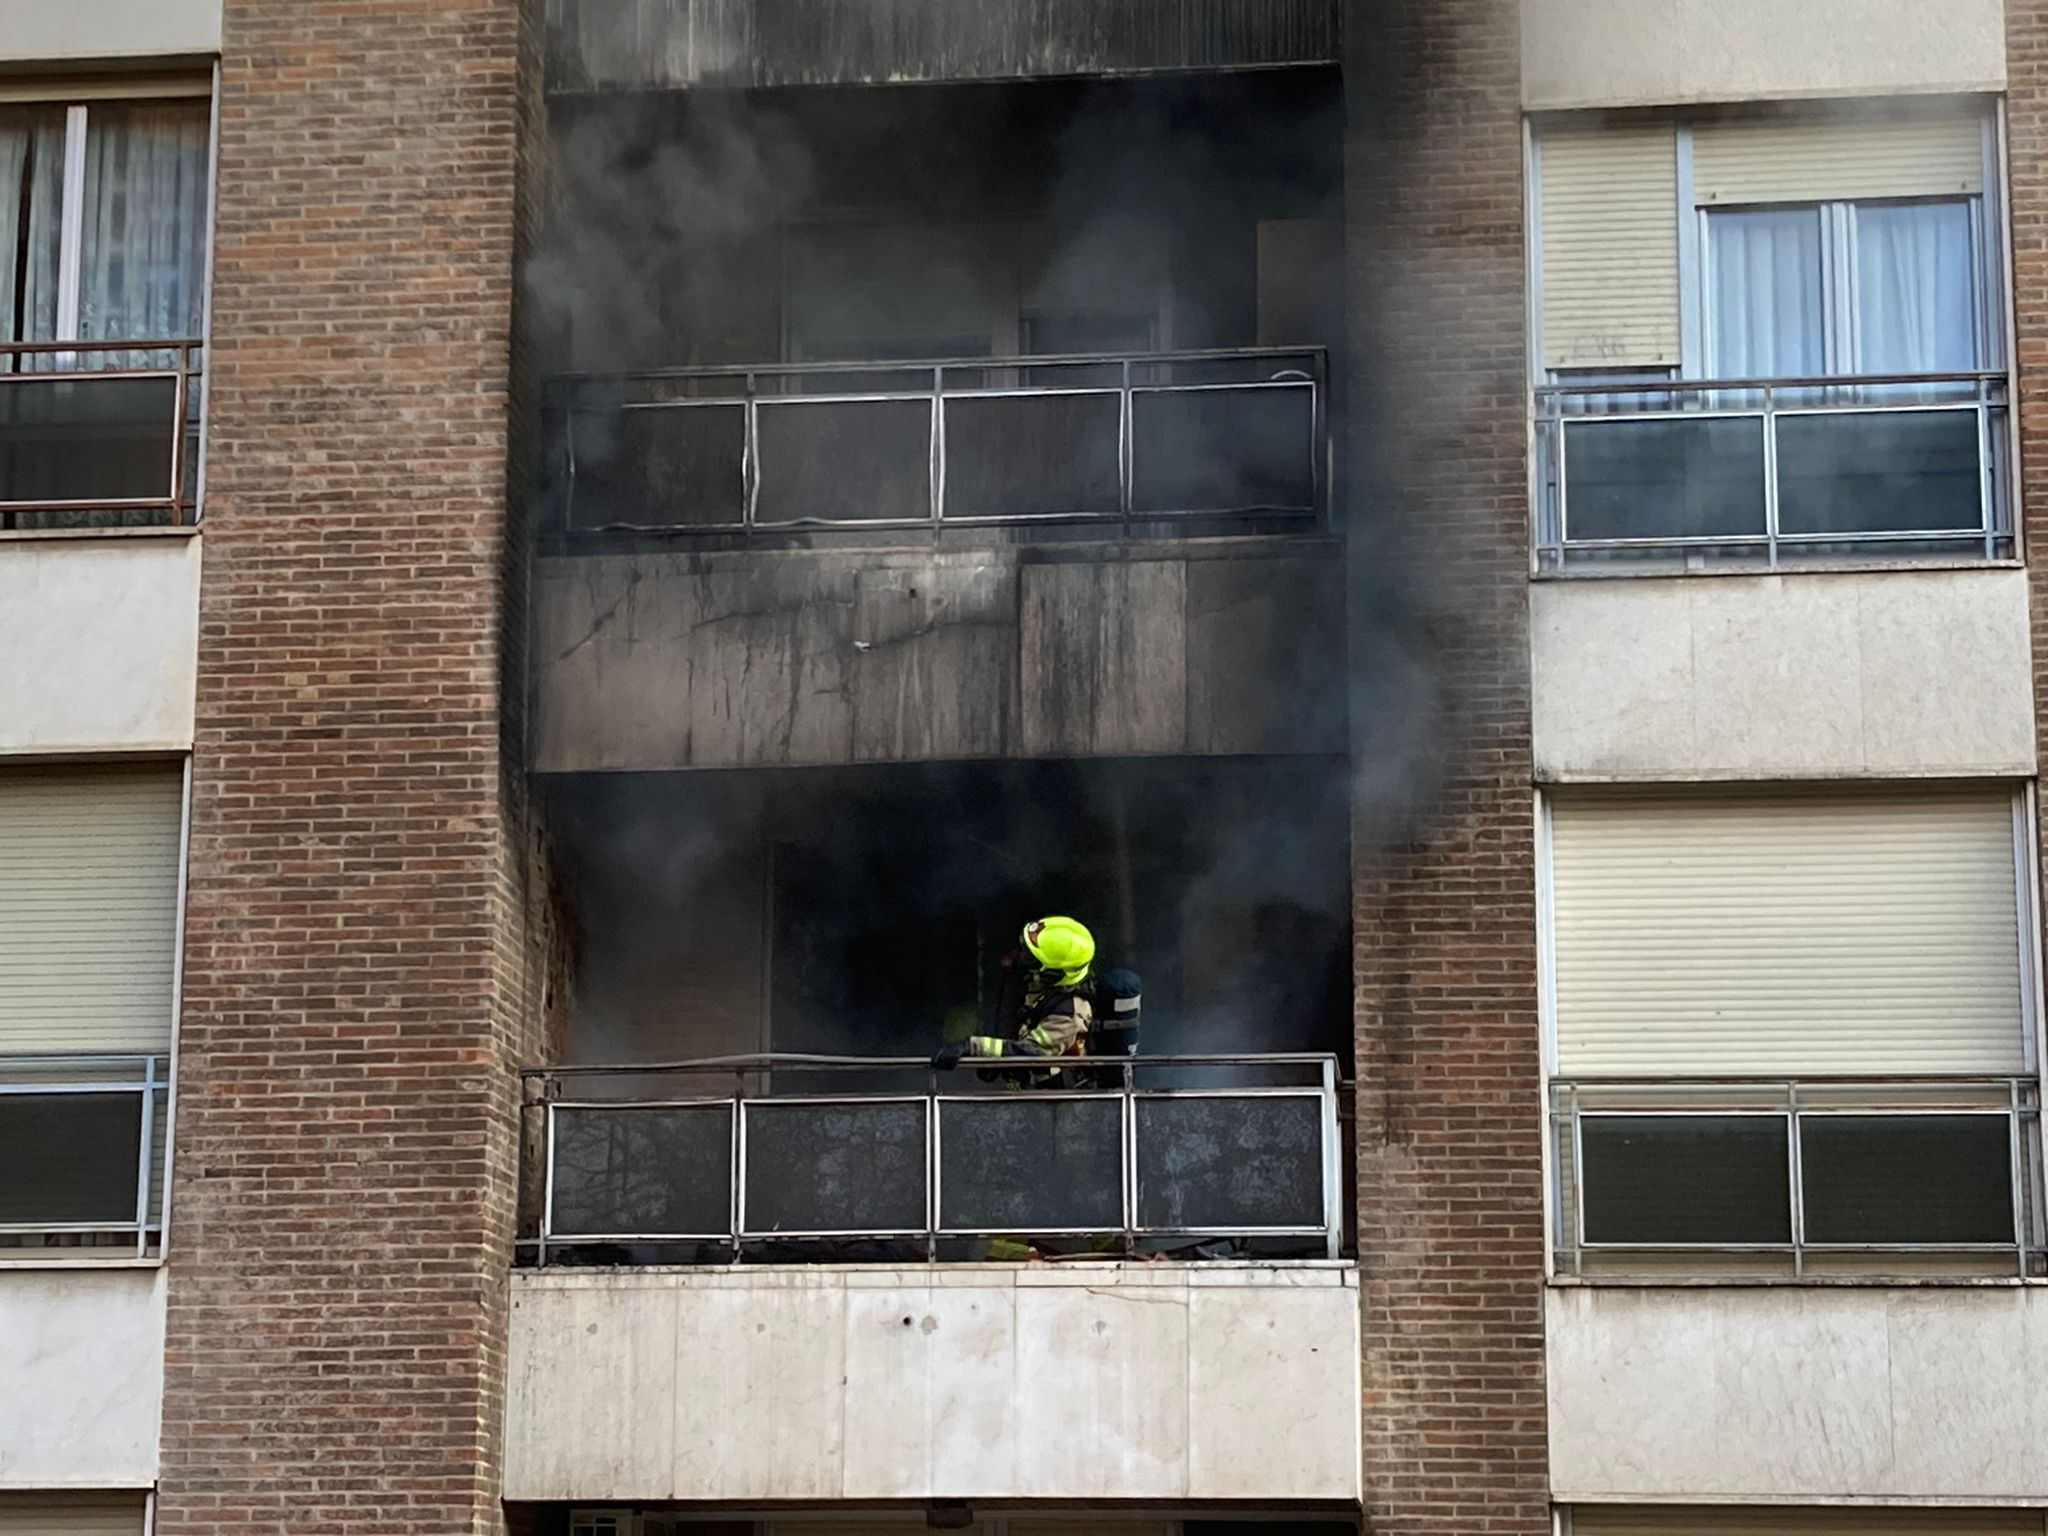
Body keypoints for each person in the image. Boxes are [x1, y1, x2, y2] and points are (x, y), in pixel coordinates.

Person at [930, 915, 1095, 1077]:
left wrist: (971, 1046)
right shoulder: (1044, 991)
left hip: (1059, 1099)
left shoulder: (1070, 1013)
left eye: (1029, 958)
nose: (1020, 959)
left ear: (1053, 974)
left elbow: (1029, 1052)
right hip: (1029, 1094)